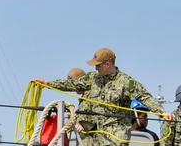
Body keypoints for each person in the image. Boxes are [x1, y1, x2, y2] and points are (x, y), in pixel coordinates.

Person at [34, 47, 171, 145]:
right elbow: (73, 85)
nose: (95, 68)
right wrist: (47, 83)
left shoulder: (126, 82)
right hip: (95, 135)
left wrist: (162, 112)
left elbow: (144, 97)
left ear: (108, 64)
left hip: (115, 137)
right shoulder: (93, 78)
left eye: (98, 65)